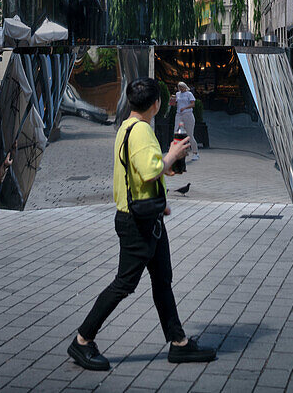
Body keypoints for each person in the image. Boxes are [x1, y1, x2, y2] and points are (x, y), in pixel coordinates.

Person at [68, 78, 217, 372]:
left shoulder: (127, 127)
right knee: (125, 284)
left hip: (148, 219)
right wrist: (172, 156)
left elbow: (145, 169)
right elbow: (149, 171)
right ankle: (83, 340)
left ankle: (179, 343)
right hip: (136, 223)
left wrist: (167, 170)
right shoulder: (141, 131)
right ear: (155, 104)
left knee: (162, 281)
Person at [170, 81, 199, 161]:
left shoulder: (189, 94)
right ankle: (176, 152)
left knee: (190, 134)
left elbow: (193, 104)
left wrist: (185, 107)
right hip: (179, 114)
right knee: (176, 132)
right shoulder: (177, 94)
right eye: (179, 87)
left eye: (182, 87)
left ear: (185, 87)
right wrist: (172, 100)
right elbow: (173, 104)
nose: (180, 88)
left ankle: (195, 152)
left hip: (188, 114)